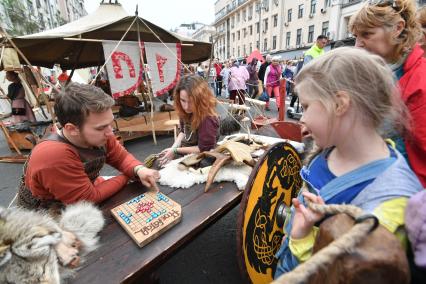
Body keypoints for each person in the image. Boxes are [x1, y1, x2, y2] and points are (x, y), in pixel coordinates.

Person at [274, 47, 422, 278]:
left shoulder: (390, 204)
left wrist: (301, 240)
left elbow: (341, 276)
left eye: (306, 107)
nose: (301, 118)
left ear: (340, 104)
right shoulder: (330, 148)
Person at [17, 83, 160, 210]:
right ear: (72, 129)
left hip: (83, 190)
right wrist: (127, 176)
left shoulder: (101, 134)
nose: (110, 132)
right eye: (101, 128)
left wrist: (139, 169)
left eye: (110, 123)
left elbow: (120, 157)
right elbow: (88, 199)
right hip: (46, 209)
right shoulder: (52, 155)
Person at [349, 0, 426, 187]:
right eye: (356, 36)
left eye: (367, 34)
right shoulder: (383, 70)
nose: (357, 45)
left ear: (397, 28)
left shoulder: (420, 82)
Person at [158, 75, 219, 167]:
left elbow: (203, 149)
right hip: (185, 150)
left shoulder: (207, 118)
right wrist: (173, 148)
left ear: (201, 99)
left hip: (202, 155)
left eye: (191, 101)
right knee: (159, 160)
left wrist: (175, 150)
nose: (186, 106)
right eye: (183, 100)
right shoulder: (184, 111)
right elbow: (183, 132)